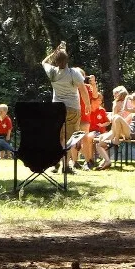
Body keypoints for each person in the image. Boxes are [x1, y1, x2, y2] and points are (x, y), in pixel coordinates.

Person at [42, 41, 90, 173]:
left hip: (56, 109)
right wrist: (87, 105)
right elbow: (83, 90)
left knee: (59, 137)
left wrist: (55, 52)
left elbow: (44, 62)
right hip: (73, 109)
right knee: (70, 138)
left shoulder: (52, 72)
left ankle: (56, 163)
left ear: (56, 62)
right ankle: (66, 166)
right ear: (67, 60)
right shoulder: (74, 73)